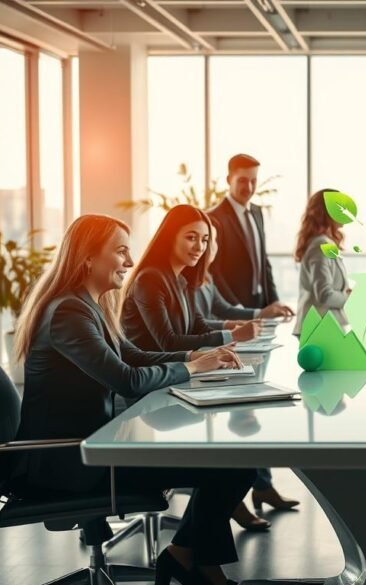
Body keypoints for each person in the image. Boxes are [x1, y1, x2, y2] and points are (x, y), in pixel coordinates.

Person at [12, 214, 257, 585]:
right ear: (88, 258)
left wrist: (194, 357)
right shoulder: (68, 312)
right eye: (121, 251)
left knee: (232, 462)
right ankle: (191, 561)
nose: (129, 261)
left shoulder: (88, 304)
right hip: (74, 463)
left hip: (95, 448)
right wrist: (192, 368)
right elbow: (126, 380)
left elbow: (134, 356)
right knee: (233, 465)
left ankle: (189, 558)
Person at [192, 222, 301, 527]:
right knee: (246, 409)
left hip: (210, 357)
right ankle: (239, 494)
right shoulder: (186, 279)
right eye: (202, 239)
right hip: (198, 364)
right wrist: (230, 332)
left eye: (209, 240)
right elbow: (195, 326)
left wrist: (257, 316)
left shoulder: (206, 277)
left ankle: (261, 485)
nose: (208, 246)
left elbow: (222, 309)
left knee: (253, 403)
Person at [121, 204, 260, 353]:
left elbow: (198, 327)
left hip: (179, 363)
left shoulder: (182, 279)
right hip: (151, 366)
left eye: (205, 240)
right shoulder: (150, 279)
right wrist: (232, 336)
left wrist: (230, 337)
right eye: (191, 238)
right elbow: (168, 342)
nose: (200, 247)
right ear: (170, 237)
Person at [208, 153, 294, 318]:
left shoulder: (257, 212)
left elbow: (263, 261)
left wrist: (275, 301)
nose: (248, 187)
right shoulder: (214, 218)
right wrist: (238, 309)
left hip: (261, 304)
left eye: (253, 181)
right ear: (229, 180)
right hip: (231, 309)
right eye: (242, 180)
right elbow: (214, 271)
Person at [195, 223, 284, 331]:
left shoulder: (207, 277)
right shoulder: (186, 281)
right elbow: (194, 324)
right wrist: (231, 326)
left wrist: (261, 313)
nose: (216, 246)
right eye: (213, 240)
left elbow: (225, 310)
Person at [293, 188, 351, 336]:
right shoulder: (321, 245)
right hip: (320, 330)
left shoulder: (325, 244)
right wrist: (349, 298)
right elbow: (324, 295)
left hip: (324, 328)